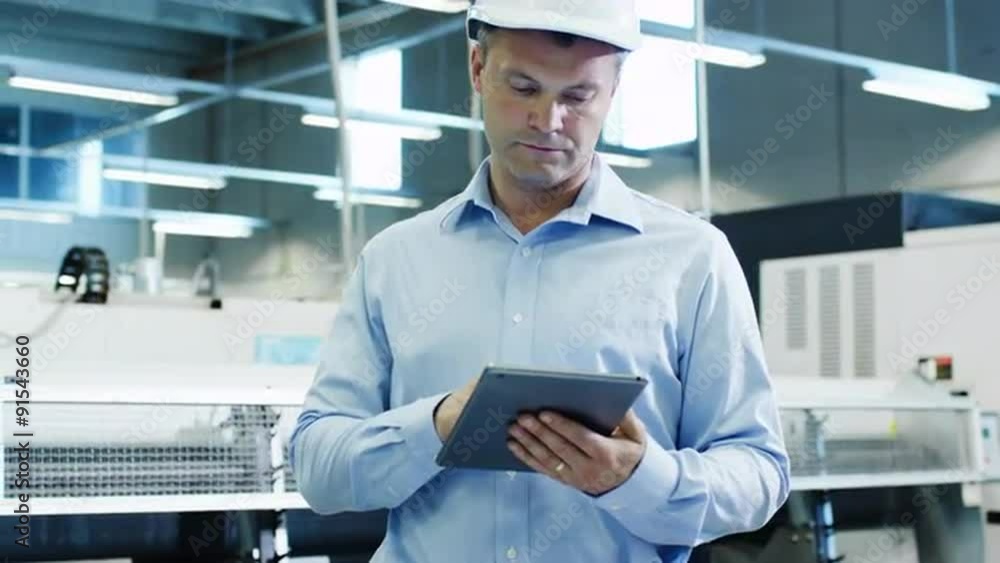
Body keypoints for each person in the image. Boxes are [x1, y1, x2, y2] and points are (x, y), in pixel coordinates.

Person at [289, 1, 790, 561]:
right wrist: (437, 426)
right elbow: (317, 466)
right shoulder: (393, 260)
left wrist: (637, 479)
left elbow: (759, 473)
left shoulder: (693, 259)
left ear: (614, 89)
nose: (549, 122)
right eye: (524, 88)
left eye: (577, 97)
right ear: (477, 68)